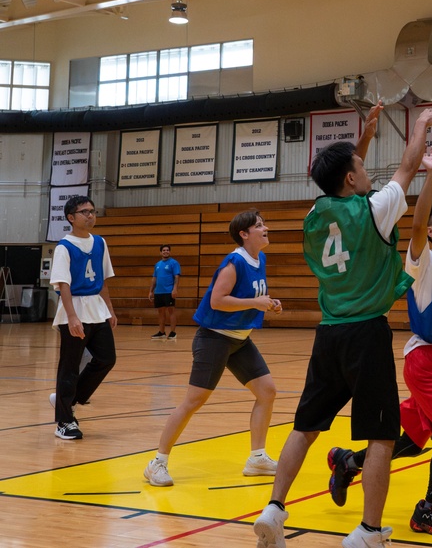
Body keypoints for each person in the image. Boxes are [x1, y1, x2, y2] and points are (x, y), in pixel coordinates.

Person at [253, 104, 432, 548]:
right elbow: (408, 165)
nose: (366, 169)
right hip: (366, 334)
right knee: (380, 435)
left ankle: (274, 509)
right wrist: (419, 122)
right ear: (352, 179)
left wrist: (364, 139)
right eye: (360, 165)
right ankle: (369, 531)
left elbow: (337, 182)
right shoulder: (373, 211)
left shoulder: (315, 216)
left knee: (305, 426)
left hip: (329, 332)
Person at [328, 121, 432, 539]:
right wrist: (431, 175)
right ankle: (429, 509)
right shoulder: (422, 261)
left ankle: (350, 462)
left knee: (413, 441)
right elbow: (416, 223)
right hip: (423, 359)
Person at [143, 210, 282, 487]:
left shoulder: (260, 258)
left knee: (267, 391)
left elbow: (250, 297)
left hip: (240, 339)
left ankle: (257, 457)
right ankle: (157, 462)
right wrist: (255, 304)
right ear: (244, 234)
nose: (265, 228)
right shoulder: (234, 262)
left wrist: (268, 302)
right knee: (193, 401)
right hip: (214, 339)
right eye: (259, 226)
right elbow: (218, 300)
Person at [50, 195, 118, 440]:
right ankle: (64, 421)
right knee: (69, 366)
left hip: (97, 308)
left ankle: (67, 399)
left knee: (107, 359)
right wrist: (71, 316)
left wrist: (109, 309)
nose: (90, 215)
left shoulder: (100, 242)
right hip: (75, 309)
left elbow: (103, 280)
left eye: (92, 211)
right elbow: (63, 284)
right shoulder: (64, 247)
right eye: (84, 212)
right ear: (71, 218)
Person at [149, 244, 181, 340]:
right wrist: (151, 291)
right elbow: (154, 278)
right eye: (164, 250)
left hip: (169, 291)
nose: (166, 251)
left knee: (171, 311)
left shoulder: (174, 263)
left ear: (169, 252)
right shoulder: (157, 265)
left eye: (167, 250)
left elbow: (177, 277)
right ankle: (161, 332)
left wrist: (175, 289)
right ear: (160, 252)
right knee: (161, 312)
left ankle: (173, 332)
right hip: (158, 292)